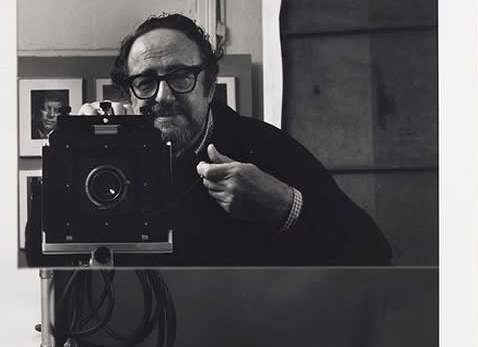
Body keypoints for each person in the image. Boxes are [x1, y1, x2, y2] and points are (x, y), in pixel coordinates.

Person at [29, 14, 391, 266]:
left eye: (180, 76)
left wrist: (285, 207)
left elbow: (372, 252)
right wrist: (73, 155)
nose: (163, 96)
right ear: (131, 91)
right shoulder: (103, 149)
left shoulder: (265, 147)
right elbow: (38, 256)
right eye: (146, 82)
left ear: (209, 84)